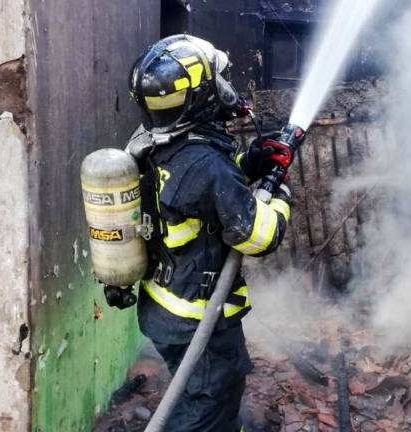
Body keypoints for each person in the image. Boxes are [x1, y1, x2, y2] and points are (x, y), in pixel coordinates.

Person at [105, 34, 296, 432]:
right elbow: (259, 236)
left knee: (199, 394)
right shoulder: (206, 164)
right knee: (208, 405)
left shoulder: (157, 143)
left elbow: (198, 195)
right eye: (218, 79)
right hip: (198, 319)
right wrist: (280, 193)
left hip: (164, 307)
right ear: (202, 95)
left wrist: (251, 161)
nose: (226, 87)